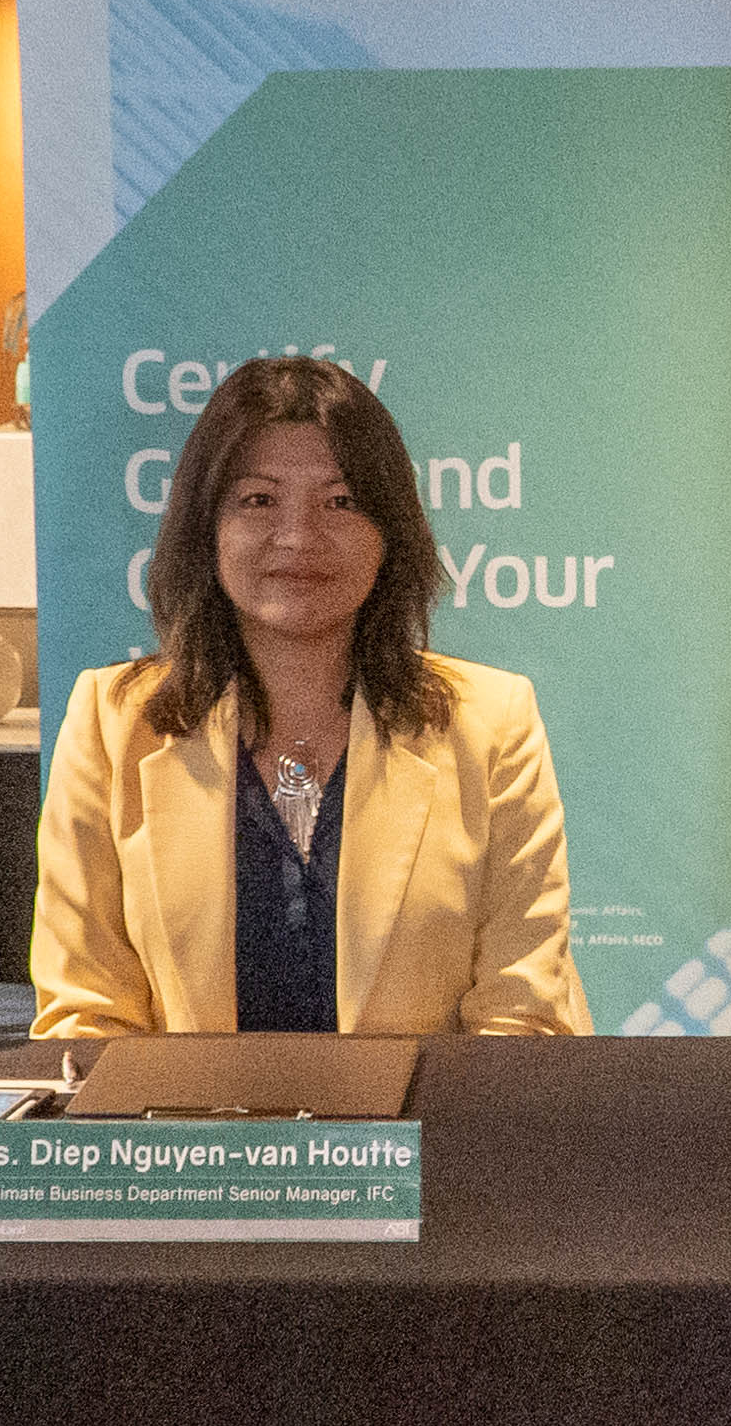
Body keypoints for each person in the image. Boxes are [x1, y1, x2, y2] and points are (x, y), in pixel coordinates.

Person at [30, 355, 586, 1036]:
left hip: (435, 1110)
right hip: (184, 1112)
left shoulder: (493, 723)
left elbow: (520, 1021)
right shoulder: (113, 723)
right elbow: (86, 1016)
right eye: (258, 500)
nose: (298, 537)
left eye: (341, 502)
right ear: (207, 526)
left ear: (389, 532)